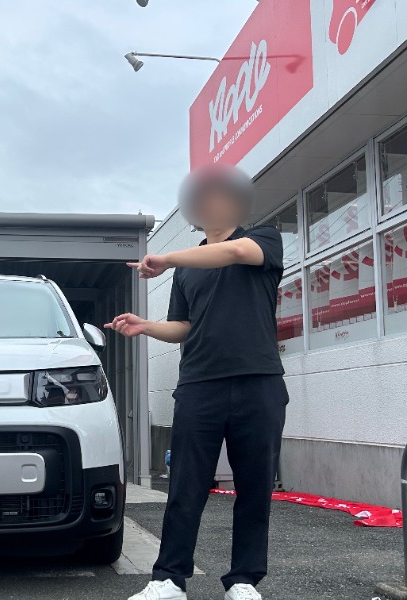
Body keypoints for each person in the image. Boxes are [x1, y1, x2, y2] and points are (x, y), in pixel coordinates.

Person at [105, 165, 287, 600]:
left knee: (255, 488)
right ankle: (169, 578)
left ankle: (243, 581)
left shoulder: (263, 239)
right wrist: (145, 326)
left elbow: (233, 253)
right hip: (199, 385)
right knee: (185, 486)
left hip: (258, 383)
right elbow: (183, 326)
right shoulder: (187, 271)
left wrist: (167, 258)